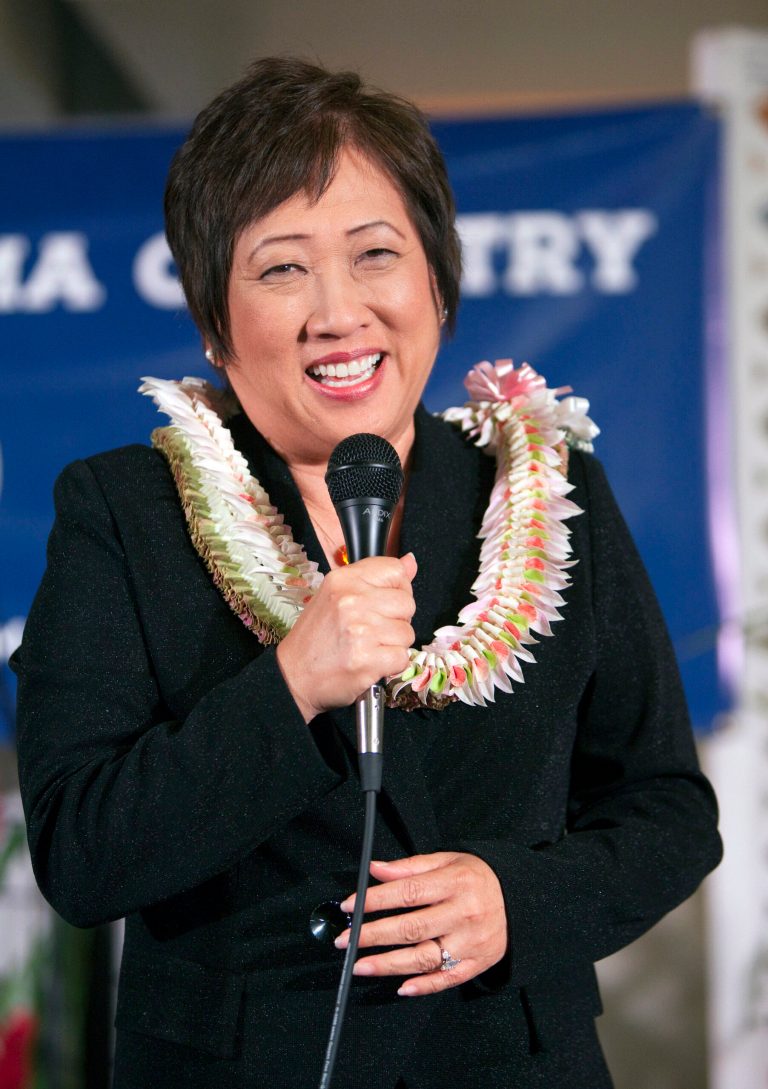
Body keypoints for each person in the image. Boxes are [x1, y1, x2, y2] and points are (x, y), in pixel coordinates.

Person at [13, 57, 722, 1089]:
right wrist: (293, 683)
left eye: (376, 254)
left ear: (437, 282)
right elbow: (82, 855)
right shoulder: (123, 513)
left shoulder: (546, 489)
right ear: (215, 326)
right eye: (281, 268)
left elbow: (667, 814)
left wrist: (518, 899)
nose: (337, 312)